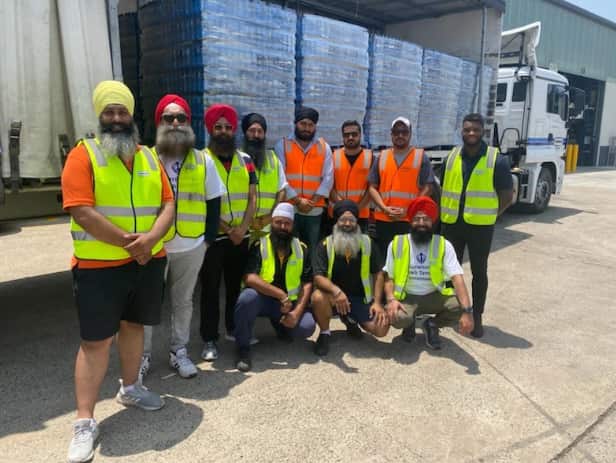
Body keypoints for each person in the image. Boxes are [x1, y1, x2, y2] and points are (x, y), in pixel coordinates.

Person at [61, 81, 174, 462]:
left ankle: (130, 387)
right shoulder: (83, 155)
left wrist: (151, 240)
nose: (115, 119)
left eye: (121, 112)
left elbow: (167, 204)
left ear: (131, 116)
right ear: (99, 116)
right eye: (108, 112)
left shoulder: (147, 157)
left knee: (134, 327)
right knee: (95, 343)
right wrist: (133, 244)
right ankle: (84, 421)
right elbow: (81, 210)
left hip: (144, 264)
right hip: (99, 267)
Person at [140, 94, 225, 381]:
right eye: (169, 118)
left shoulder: (203, 160)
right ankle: (142, 357)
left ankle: (179, 352)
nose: (175, 123)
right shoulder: (145, 159)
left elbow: (214, 202)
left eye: (181, 118)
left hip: (191, 245)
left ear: (189, 123)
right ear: (159, 123)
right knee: (147, 303)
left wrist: (208, 240)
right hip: (154, 247)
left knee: (183, 301)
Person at [440, 113, 514, 338]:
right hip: (452, 223)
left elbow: (507, 195)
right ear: (461, 132)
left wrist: (492, 215)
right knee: (448, 271)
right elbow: (443, 188)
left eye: (475, 130)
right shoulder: (451, 157)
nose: (471, 133)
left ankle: (477, 315)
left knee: (479, 272)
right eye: (467, 130)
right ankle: (449, 311)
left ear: (483, 132)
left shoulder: (496, 160)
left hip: (480, 226)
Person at [200, 104, 258, 361]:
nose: (223, 132)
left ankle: (233, 329)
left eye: (228, 127)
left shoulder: (246, 160)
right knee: (210, 289)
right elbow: (202, 200)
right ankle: (209, 339)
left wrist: (243, 229)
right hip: (216, 237)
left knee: (235, 287)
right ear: (210, 130)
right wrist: (227, 229)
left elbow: (252, 197)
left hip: (241, 236)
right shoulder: (201, 160)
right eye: (218, 127)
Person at [383, 197, 474, 350]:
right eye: (417, 219)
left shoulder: (443, 244)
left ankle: (431, 324)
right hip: (407, 297)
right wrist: (391, 299)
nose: (421, 223)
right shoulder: (397, 243)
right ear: (410, 221)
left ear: (432, 222)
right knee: (397, 317)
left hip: (434, 295)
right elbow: (389, 277)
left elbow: (457, 278)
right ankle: (409, 323)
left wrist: (468, 312)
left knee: (459, 306)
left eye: (426, 219)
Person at [233, 203, 316, 371]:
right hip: (263, 300)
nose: (283, 227)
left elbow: (308, 283)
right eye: (278, 222)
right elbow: (249, 277)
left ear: (293, 225)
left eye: (287, 223)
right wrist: (280, 294)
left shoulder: (302, 249)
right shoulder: (260, 245)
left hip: (288, 305)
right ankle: (243, 348)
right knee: (247, 298)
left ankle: (281, 326)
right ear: (272, 223)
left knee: (307, 326)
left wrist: (296, 312)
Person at [311, 200, 389, 356]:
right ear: (336, 221)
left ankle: (350, 319)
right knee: (318, 297)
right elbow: (318, 277)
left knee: (382, 329)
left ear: (357, 222)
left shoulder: (368, 243)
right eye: (343, 220)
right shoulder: (325, 244)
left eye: (351, 220)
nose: (347, 223)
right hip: (333, 298)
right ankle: (325, 333)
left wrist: (378, 302)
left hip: (360, 298)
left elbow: (379, 273)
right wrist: (336, 292)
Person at [368, 116, 435, 256]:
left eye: (404, 132)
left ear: (410, 134)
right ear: (391, 134)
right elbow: (372, 187)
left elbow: (429, 187)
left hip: (408, 219)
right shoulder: (381, 156)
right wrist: (384, 208)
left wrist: (410, 210)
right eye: (396, 132)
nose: (400, 135)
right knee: (385, 259)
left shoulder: (420, 156)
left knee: (406, 257)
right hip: (384, 218)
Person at [274, 106, 333, 251]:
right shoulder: (282, 145)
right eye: (303, 124)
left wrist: (310, 202)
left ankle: (311, 274)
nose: (306, 128)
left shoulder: (324, 147)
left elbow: (328, 178)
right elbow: (280, 177)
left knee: (312, 249)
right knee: (290, 248)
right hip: (290, 208)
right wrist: (298, 201)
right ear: (296, 124)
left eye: (310, 125)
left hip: (314, 210)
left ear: (315, 126)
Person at [241, 112, 287, 239]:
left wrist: (269, 217)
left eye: (260, 131)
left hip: (268, 227)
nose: (256, 135)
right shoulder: (236, 158)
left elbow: (282, 190)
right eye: (252, 131)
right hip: (242, 228)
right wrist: (250, 220)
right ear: (245, 133)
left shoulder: (273, 158)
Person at [329, 120, 373, 233]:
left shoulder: (370, 157)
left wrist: (357, 209)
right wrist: (342, 207)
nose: (350, 137)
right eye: (347, 135)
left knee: (360, 248)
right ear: (342, 137)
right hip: (336, 213)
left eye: (354, 134)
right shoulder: (333, 156)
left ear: (360, 135)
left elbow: (372, 188)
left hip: (361, 214)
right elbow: (329, 185)